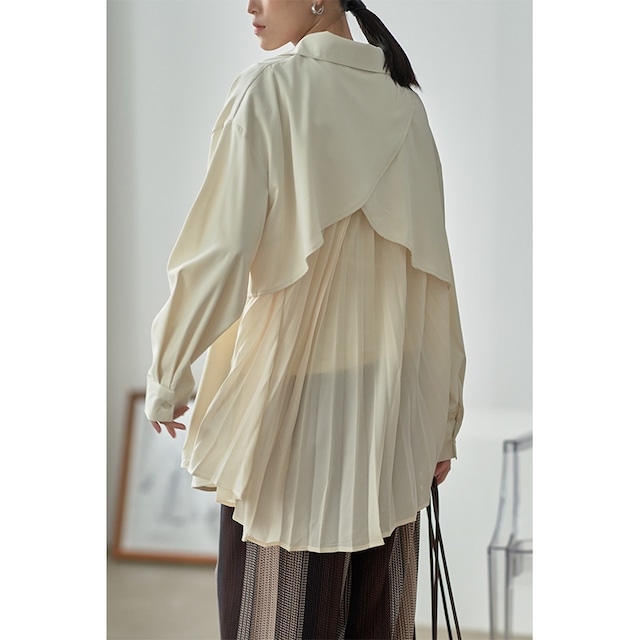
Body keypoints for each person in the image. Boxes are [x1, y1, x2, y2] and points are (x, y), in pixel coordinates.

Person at [145, 0, 466, 638]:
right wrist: (442, 418)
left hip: (290, 410)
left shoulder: (270, 91)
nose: (251, 5)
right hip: (387, 409)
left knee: (278, 615)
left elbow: (218, 254)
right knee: (366, 619)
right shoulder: (405, 107)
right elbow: (435, 281)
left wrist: (169, 369)